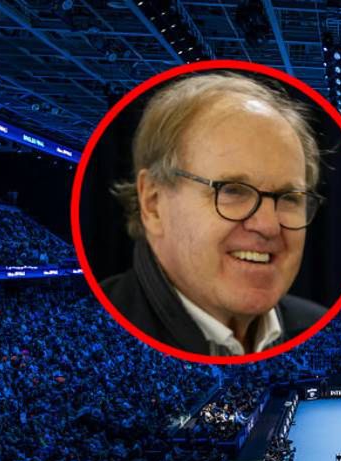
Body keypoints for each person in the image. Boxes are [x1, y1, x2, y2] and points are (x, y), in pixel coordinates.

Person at [104, 72, 328, 356]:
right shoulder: (94, 336)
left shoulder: (317, 327)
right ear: (153, 202)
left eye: (290, 198)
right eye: (233, 191)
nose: (269, 225)